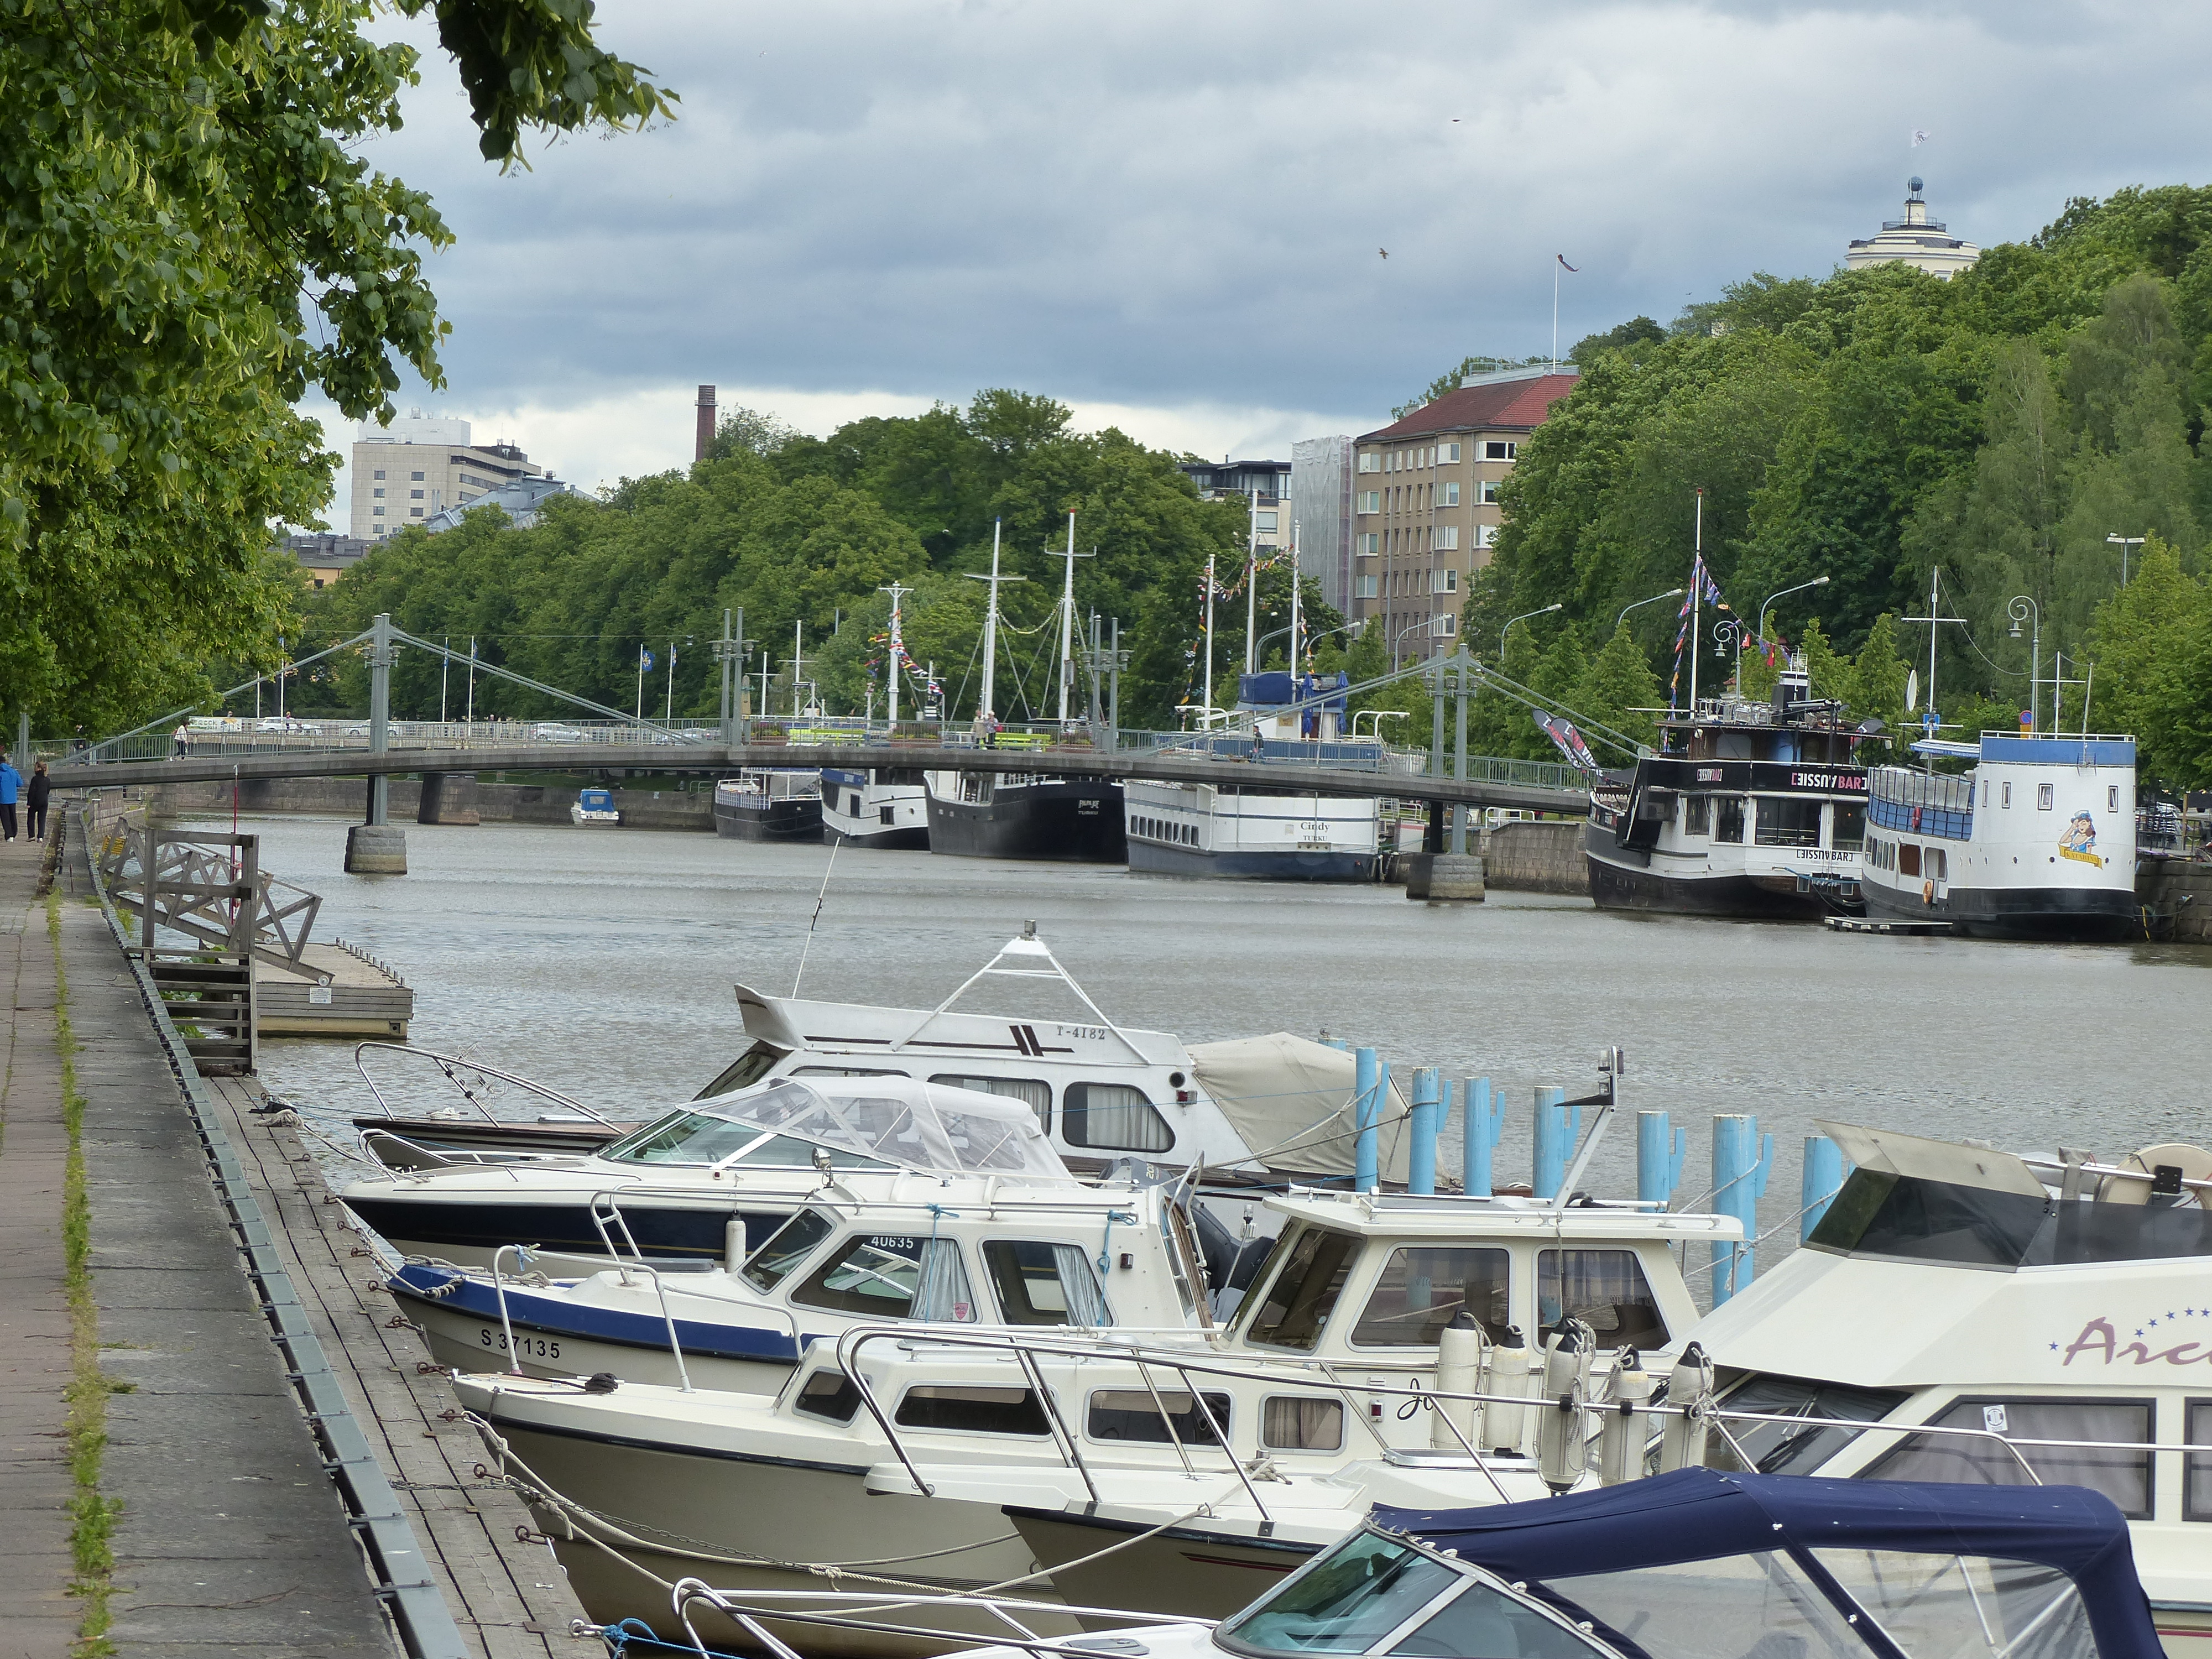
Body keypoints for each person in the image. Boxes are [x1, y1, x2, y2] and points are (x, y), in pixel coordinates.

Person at [25, 760, 49, 841]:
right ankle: (41, 837)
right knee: (42, 819)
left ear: (38, 769)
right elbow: (48, 791)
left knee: (31, 818)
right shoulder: (47, 779)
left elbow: (32, 791)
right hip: (44, 801)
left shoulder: (35, 779)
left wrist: (29, 803)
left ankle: (32, 836)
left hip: (35, 801)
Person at [0, 756, 19, 842]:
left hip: (2, 798)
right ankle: (14, 832)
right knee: (13, 816)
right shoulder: (14, 771)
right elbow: (20, 783)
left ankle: (9, 835)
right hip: (13, 798)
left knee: (5, 817)